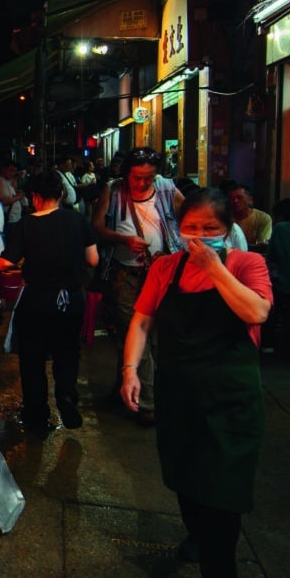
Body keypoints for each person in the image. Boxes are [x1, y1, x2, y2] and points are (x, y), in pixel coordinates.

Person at [119, 188, 272, 578]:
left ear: (229, 231)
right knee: (184, 474)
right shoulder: (166, 268)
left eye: (212, 230)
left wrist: (217, 269)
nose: (200, 238)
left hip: (231, 396)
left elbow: (257, 311)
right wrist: (130, 370)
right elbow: (142, 319)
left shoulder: (248, 265)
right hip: (179, 391)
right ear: (177, 228)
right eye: (192, 229)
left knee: (224, 491)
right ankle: (197, 533)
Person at [0, 170, 98, 435]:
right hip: (71, 300)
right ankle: (66, 396)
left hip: (38, 300)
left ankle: (37, 417)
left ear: (35, 197)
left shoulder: (26, 225)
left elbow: (6, 262)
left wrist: (0, 265)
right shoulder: (78, 220)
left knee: (33, 359)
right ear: (61, 194)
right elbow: (93, 260)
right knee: (67, 352)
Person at [91, 147, 183, 421]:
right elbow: (96, 226)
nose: (143, 183)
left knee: (150, 336)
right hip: (124, 273)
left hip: (161, 273)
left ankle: (130, 389)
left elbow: (188, 218)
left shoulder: (167, 189)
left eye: (149, 178)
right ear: (126, 174)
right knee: (130, 328)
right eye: (137, 177)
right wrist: (123, 240)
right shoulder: (113, 190)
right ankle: (147, 402)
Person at [0, 161, 27, 226]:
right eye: (11, 170)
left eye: (14, 171)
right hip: (10, 219)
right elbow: (4, 201)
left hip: (14, 218)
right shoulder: (0, 182)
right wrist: (19, 196)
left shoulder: (6, 180)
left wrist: (16, 178)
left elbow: (13, 189)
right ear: (3, 169)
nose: (12, 173)